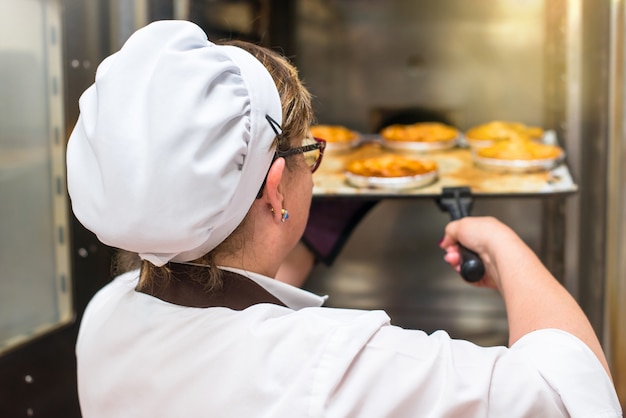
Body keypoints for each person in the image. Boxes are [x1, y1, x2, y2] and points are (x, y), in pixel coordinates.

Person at [67, 20, 622, 417]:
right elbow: (570, 397)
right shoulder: (344, 369)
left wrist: (313, 234)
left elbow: (226, 307)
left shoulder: (106, 317)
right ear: (276, 188)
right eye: (309, 153)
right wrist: (505, 245)